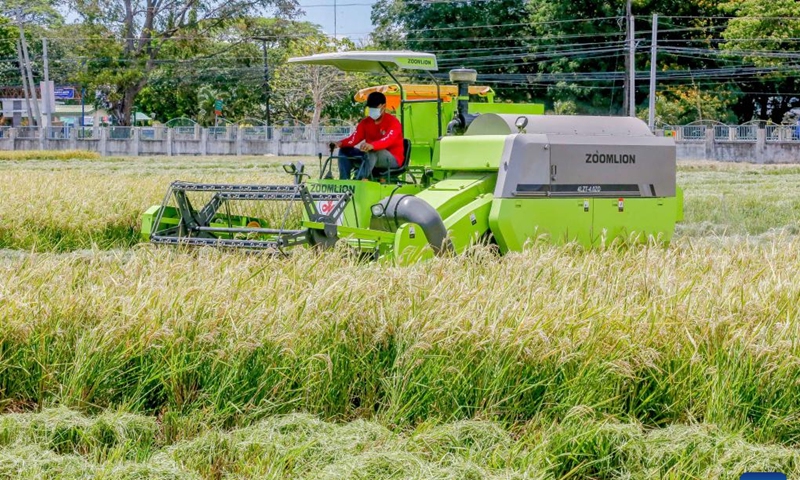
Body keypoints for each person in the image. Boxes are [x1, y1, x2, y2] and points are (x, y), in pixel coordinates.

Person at [332, 91, 404, 180]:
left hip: (392, 160)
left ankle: (359, 180)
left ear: (384, 106)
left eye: (375, 107)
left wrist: (372, 145)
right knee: (344, 151)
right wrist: (340, 143)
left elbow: (388, 140)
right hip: (369, 156)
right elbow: (354, 138)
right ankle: (344, 182)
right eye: (370, 107)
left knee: (374, 151)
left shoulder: (393, 122)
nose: (372, 109)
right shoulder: (365, 122)